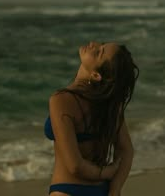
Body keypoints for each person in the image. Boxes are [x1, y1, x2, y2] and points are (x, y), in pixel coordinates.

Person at [44, 41, 140, 196]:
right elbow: (126, 150)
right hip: (103, 190)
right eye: (101, 44)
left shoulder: (61, 100)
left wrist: (105, 173)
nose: (93, 44)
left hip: (68, 191)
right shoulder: (110, 103)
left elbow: (74, 166)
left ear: (96, 75)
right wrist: (115, 189)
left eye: (98, 52)